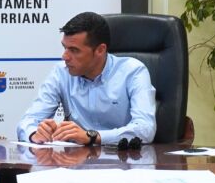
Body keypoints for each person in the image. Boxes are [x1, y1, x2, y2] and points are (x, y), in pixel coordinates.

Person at [17, 12, 156, 145]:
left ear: (100, 50)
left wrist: (92, 136)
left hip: (123, 158)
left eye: (74, 50)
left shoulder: (133, 71)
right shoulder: (61, 72)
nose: (64, 57)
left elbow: (145, 128)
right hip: (75, 158)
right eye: (65, 48)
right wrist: (34, 133)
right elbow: (28, 121)